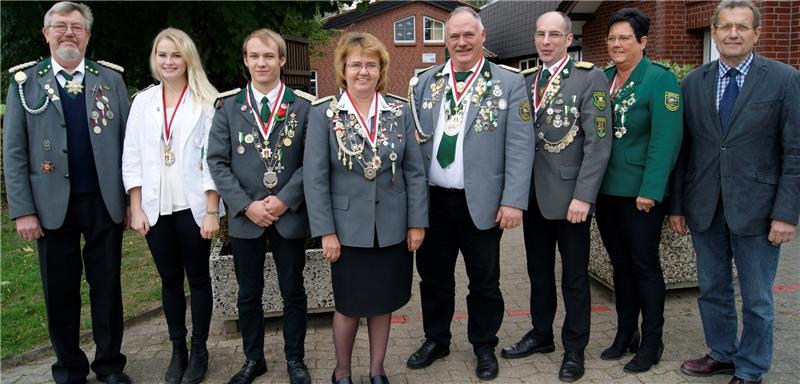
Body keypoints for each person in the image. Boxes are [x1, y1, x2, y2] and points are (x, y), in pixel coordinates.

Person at [669, 1, 799, 383]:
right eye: (726, 26)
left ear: (757, 33)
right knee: (712, 289)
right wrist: (677, 206)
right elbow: (684, 150)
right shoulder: (693, 82)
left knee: (758, 299)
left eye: (743, 27)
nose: (733, 34)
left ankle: (752, 367)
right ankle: (722, 353)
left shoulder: (783, 79)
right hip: (705, 207)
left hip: (759, 210)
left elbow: (794, 151)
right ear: (713, 32)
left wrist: (786, 214)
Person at [3, 2, 132, 383]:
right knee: (59, 292)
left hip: (103, 202)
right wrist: (22, 211)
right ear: (46, 34)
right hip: (49, 207)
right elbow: (14, 151)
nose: (68, 33)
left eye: (77, 27)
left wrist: (129, 200)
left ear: (88, 35)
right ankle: (69, 368)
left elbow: (128, 147)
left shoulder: (110, 80)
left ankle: (110, 365)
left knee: (107, 288)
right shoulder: (25, 82)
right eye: (59, 26)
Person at [406, 6, 534, 381]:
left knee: (484, 281)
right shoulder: (424, 83)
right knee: (433, 278)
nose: (461, 42)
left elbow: (521, 147)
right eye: (454, 36)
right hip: (433, 201)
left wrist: (513, 200)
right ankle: (436, 340)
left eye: (468, 35)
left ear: (483, 36)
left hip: (482, 202)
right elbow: (413, 149)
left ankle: (483, 345)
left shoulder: (509, 84)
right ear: (446, 41)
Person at [304, 31, 428, 384]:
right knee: (347, 306)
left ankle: (376, 370)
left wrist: (416, 223)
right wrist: (326, 231)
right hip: (346, 231)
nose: (363, 71)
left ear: (380, 69)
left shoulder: (398, 111)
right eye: (355, 64)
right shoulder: (324, 114)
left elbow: (415, 173)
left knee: (383, 303)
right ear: (343, 68)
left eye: (370, 64)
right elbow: (315, 178)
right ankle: (342, 370)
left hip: (391, 227)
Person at [501, 11, 612, 382]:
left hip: (570, 199)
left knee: (575, 278)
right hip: (532, 195)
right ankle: (541, 334)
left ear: (568, 39)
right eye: (540, 35)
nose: (545, 41)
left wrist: (584, 196)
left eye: (553, 35)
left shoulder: (589, 77)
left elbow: (598, 144)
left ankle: (575, 347)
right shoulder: (528, 80)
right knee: (538, 272)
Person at [206, 28, 316, 384]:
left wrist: (284, 200)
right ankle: (254, 360)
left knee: (293, 291)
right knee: (248, 294)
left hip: (289, 214)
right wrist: (244, 205)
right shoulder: (228, 107)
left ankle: (295, 360)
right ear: (245, 61)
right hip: (245, 217)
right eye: (254, 56)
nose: (261, 62)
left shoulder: (303, 106)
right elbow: (217, 162)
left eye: (269, 56)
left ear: (282, 60)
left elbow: (311, 162)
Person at [122, 28, 222, 384]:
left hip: (193, 206)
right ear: (155, 58)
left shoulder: (205, 101)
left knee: (197, 278)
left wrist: (212, 209)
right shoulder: (143, 102)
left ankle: (199, 349)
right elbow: (131, 156)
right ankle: (177, 350)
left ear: (187, 59)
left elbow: (214, 159)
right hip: (155, 207)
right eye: (162, 55)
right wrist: (135, 206)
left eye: (176, 55)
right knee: (168, 280)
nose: (168, 62)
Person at [593, 7, 683, 374]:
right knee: (620, 266)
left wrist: (652, 190)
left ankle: (652, 341)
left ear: (643, 42)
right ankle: (625, 333)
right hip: (606, 191)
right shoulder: (603, 78)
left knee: (644, 266)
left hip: (640, 194)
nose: (616, 44)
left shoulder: (659, 80)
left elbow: (666, 140)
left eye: (624, 38)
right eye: (612, 38)